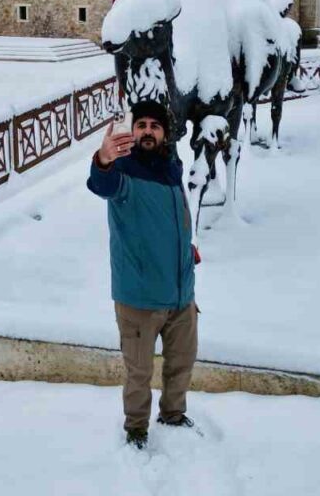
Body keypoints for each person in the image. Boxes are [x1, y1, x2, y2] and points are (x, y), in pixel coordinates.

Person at [86, 100, 197, 451]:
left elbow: (168, 222)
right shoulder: (124, 172)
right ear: (133, 131)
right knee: (139, 373)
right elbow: (101, 184)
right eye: (142, 125)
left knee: (181, 363)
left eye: (155, 125)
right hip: (139, 298)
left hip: (180, 294)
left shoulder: (171, 170)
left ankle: (173, 416)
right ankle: (136, 430)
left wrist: (185, 249)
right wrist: (102, 160)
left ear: (164, 134)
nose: (148, 130)